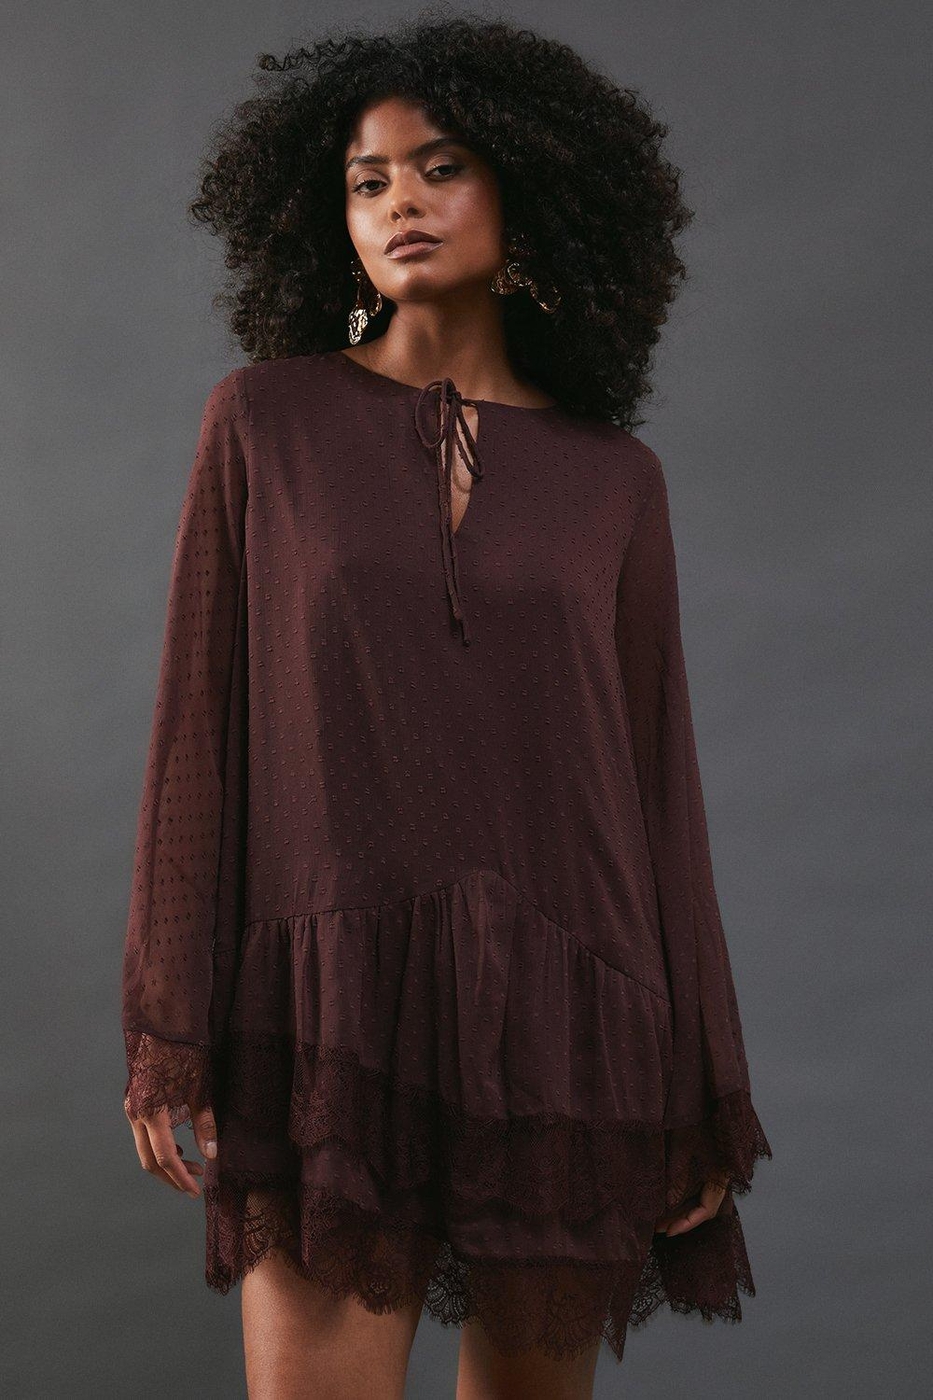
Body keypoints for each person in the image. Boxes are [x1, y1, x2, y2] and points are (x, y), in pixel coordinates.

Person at [120, 14, 772, 1399]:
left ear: (532, 192)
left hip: (567, 1013)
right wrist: (172, 1024)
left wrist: (702, 1081)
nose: (399, 202)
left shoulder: (614, 480)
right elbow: (194, 740)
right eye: (367, 180)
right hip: (326, 1019)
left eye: (440, 166)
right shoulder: (264, 423)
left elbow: (658, 784)